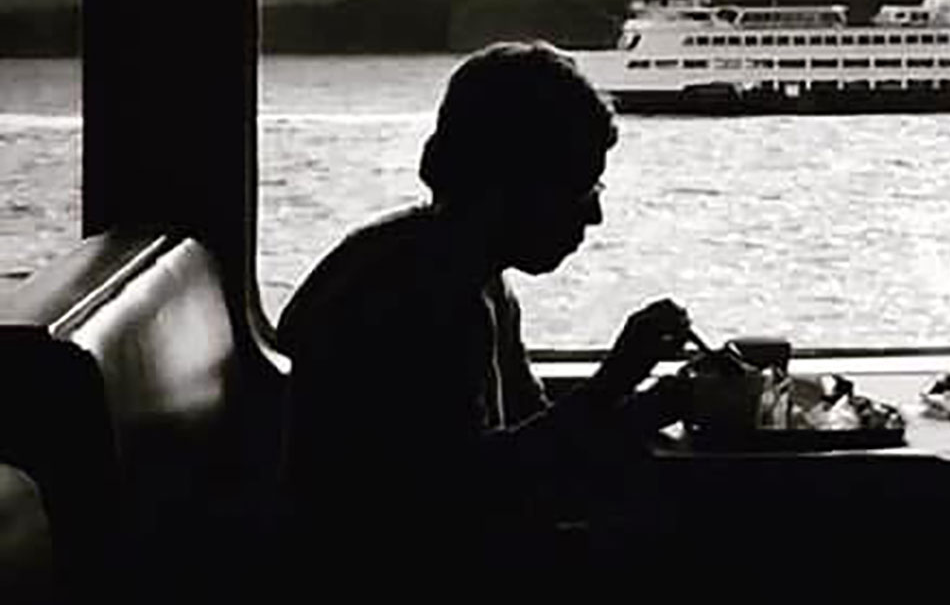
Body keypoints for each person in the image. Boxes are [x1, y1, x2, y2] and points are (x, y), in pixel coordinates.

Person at [277, 41, 695, 577]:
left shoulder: (472, 276)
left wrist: (644, 402)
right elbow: (465, 492)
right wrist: (614, 384)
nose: (595, 215)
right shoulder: (418, 298)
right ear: (510, 185)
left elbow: (528, 437)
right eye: (579, 187)